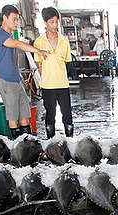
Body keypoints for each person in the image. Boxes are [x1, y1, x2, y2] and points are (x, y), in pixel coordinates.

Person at [0, 5, 50, 138]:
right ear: (4, 18)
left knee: (25, 111)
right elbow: (18, 45)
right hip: (6, 81)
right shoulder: (0, 35)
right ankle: (17, 145)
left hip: (16, 80)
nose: (16, 22)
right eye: (13, 19)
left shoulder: (10, 34)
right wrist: (38, 51)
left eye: (17, 19)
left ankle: (28, 141)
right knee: (13, 114)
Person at [34, 7, 74, 138]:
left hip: (63, 84)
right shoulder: (39, 42)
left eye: (57, 22)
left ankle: (70, 142)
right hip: (47, 85)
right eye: (52, 22)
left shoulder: (64, 40)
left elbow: (67, 61)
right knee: (50, 114)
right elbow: (39, 64)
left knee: (67, 114)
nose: (55, 25)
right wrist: (43, 80)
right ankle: (51, 143)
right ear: (45, 23)